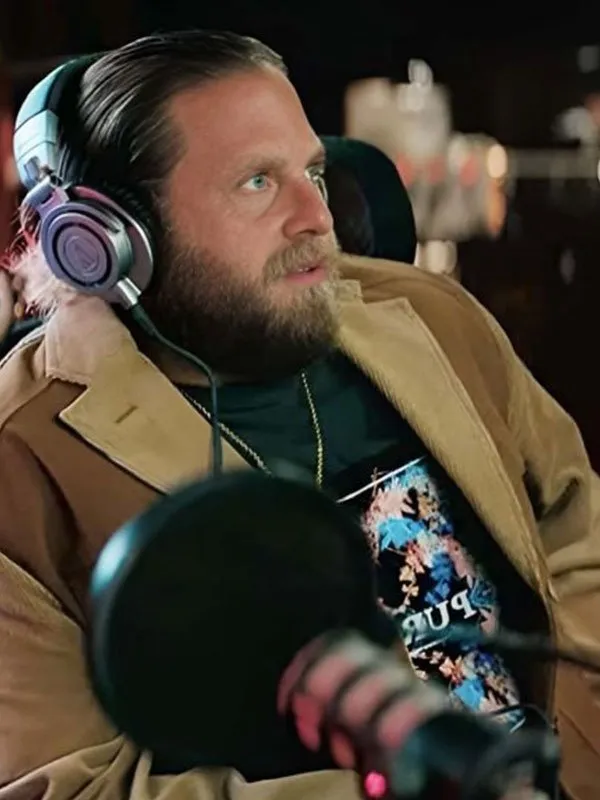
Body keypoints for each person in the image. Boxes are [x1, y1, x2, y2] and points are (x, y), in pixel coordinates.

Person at [0, 29, 598, 800]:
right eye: (257, 182)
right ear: (110, 238)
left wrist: (567, 759)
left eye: (313, 171)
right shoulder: (22, 464)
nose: (317, 215)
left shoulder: (432, 317)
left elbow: (576, 532)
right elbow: (75, 786)